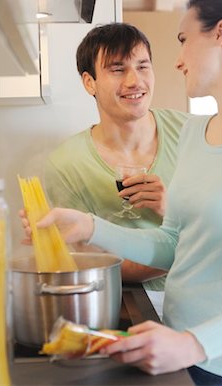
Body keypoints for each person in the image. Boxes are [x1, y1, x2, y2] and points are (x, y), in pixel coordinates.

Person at [21, 0, 222, 385]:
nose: (178, 61)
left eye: (184, 40)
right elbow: (171, 243)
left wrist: (193, 343)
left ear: (220, 33)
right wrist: (89, 226)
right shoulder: (194, 133)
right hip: (174, 346)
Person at [44, 23, 191, 314]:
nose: (135, 81)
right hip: (123, 306)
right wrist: (187, 253)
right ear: (90, 83)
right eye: (117, 69)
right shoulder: (66, 164)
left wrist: (173, 211)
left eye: (143, 66)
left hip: (204, 295)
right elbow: (86, 260)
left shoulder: (192, 133)